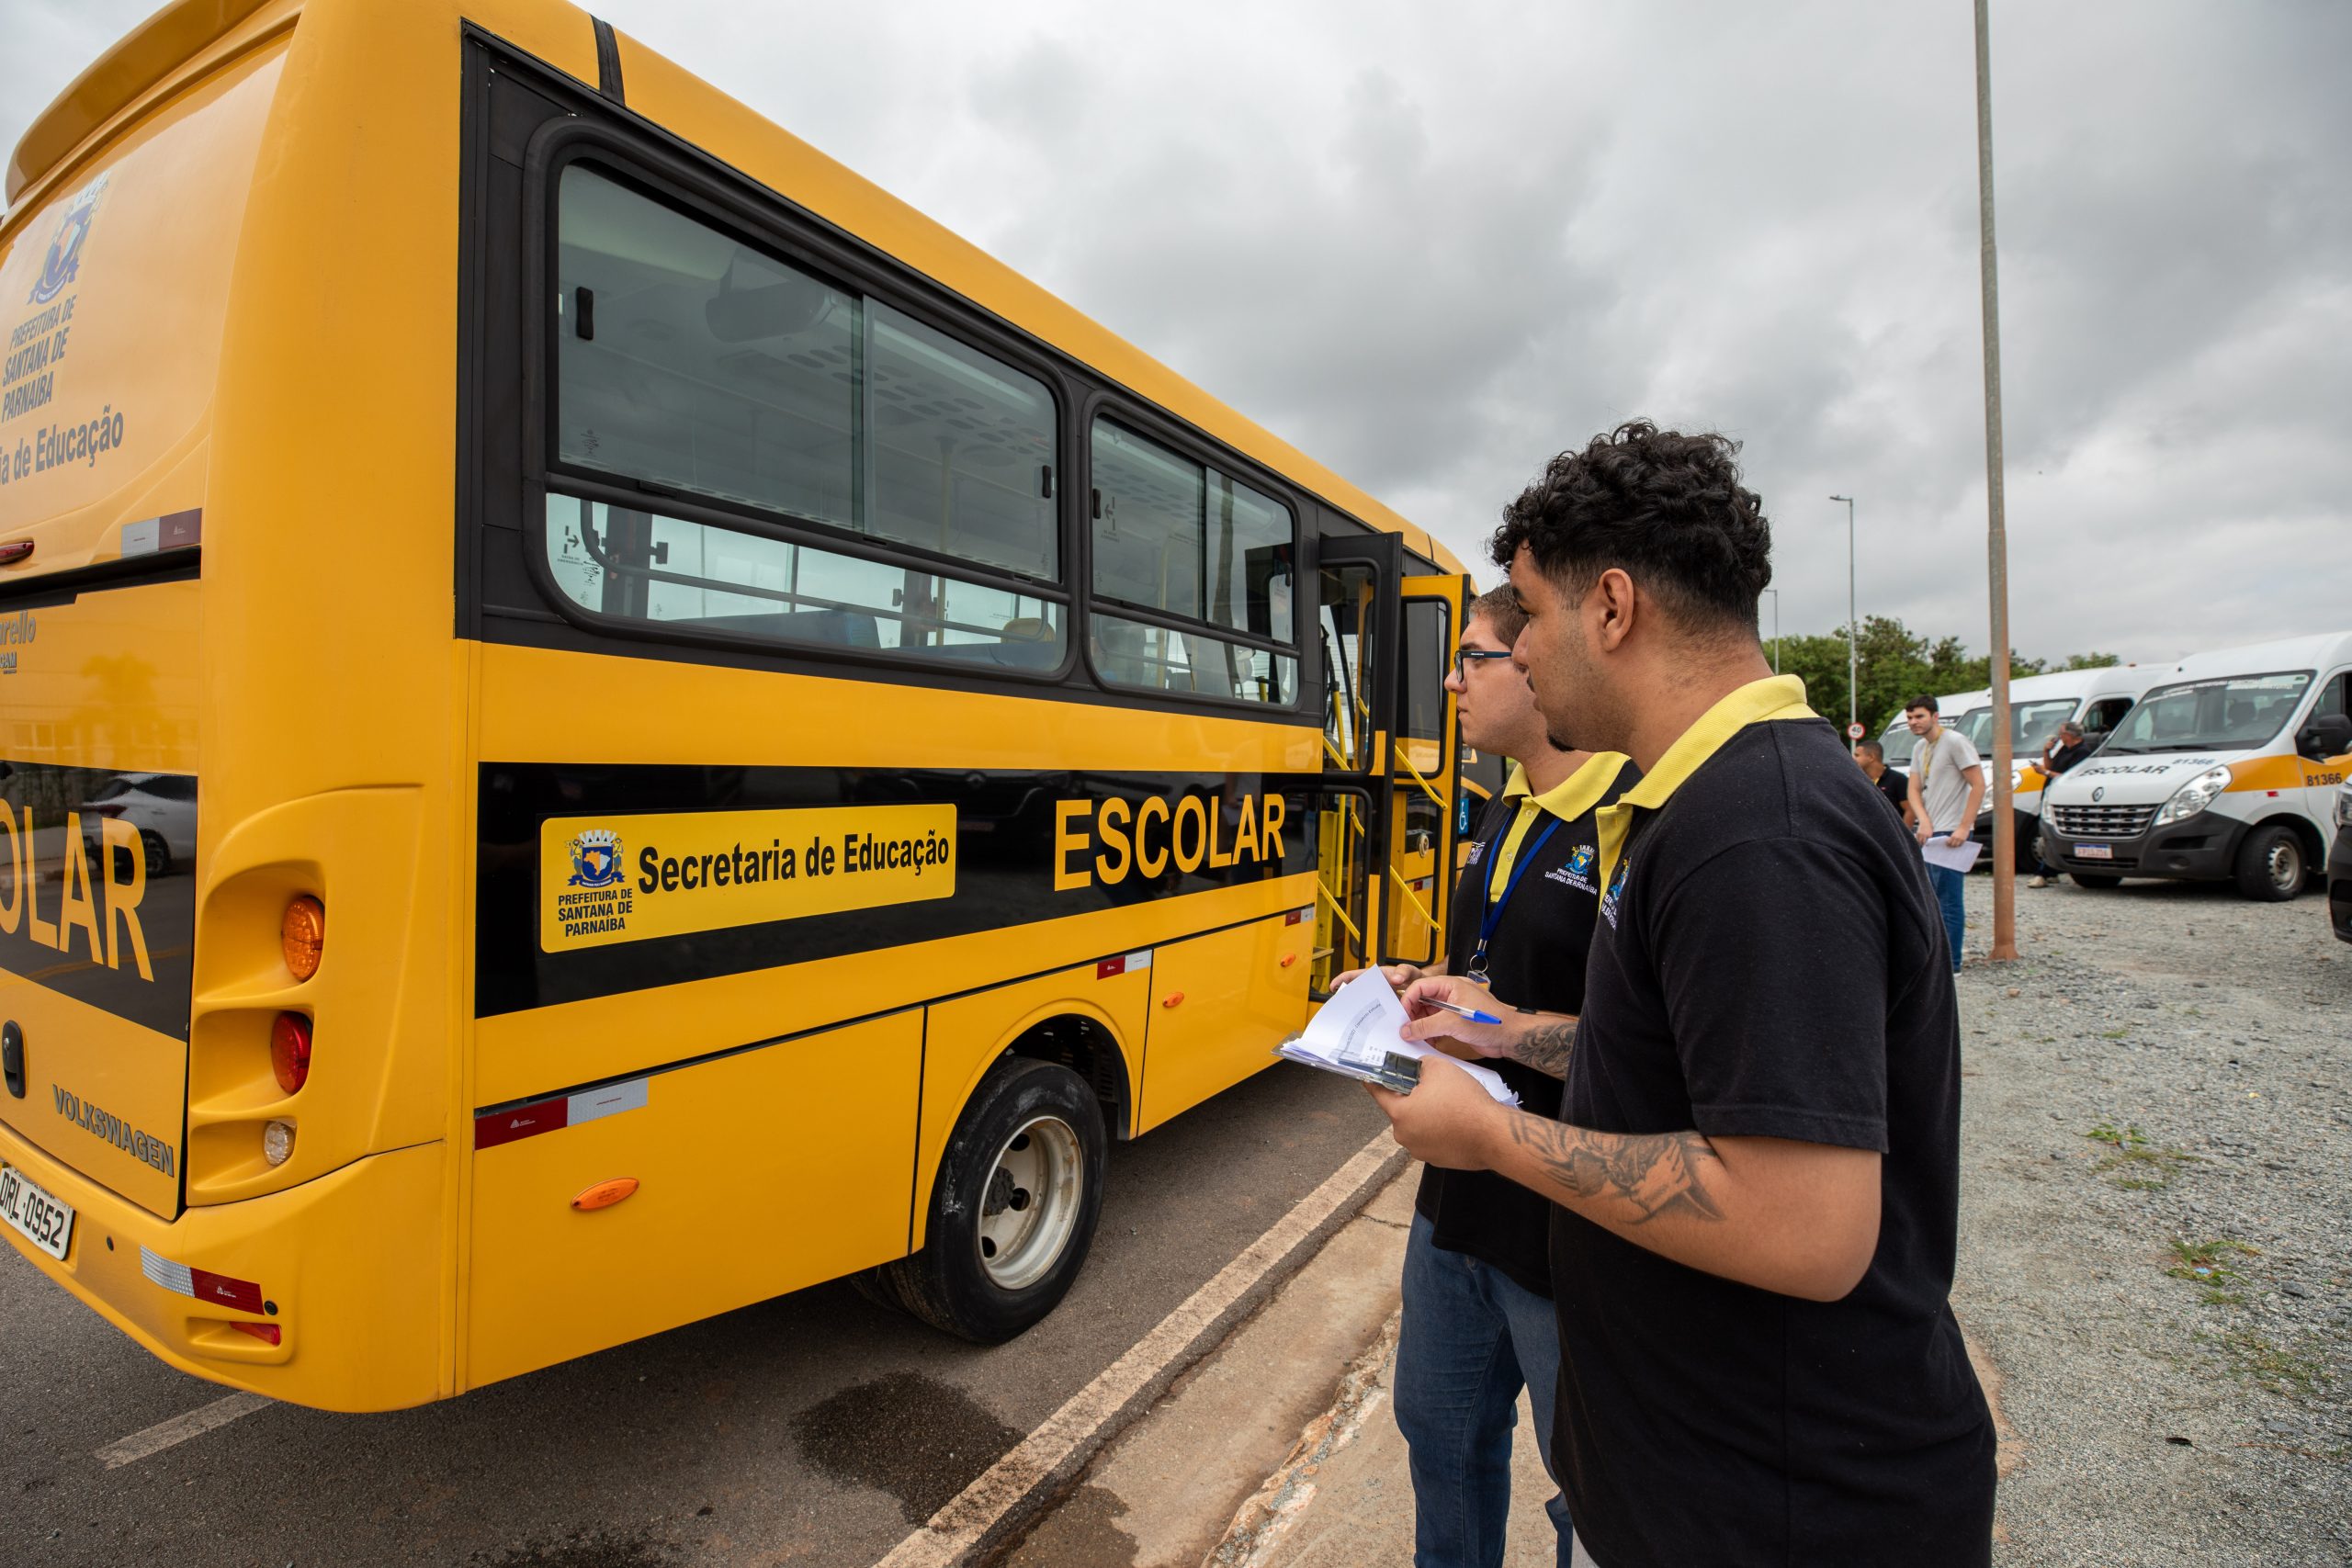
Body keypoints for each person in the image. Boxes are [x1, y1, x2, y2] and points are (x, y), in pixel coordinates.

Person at [1368, 421, 1995, 1568]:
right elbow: (1669, 1062)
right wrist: (1504, 1029)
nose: (1520, 657)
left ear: (1611, 608)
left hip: (1779, 1510)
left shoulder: (1759, 832)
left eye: (1533, 616)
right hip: (1701, 1483)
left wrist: (1497, 1137)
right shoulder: (1703, 803)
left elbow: (1804, 1226)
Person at [1337, 585, 1632, 1568]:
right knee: (1441, 1438)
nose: (1454, 682)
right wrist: (1410, 985)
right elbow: (1490, 975)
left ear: (1540, 664)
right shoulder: (1501, 808)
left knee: (1583, 1494)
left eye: (1476, 658)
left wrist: (1501, 1034)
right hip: (1452, 1207)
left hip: (1564, 1221)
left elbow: (1643, 1044)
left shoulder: (1630, 824)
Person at [1905, 696, 1985, 972]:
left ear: (1935, 716)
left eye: (1919, 717)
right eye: (1910, 718)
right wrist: (1923, 821)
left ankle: (1952, 964)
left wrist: (1965, 826)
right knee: (1930, 898)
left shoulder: (1955, 742)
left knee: (1949, 900)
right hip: (1930, 831)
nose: (1914, 722)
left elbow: (1978, 784)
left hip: (1952, 830)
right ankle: (1937, 960)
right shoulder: (1919, 747)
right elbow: (1914, 789)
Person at [2027, 720, 2094, 886]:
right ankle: (2051, 871)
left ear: (2068, 735)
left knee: (2050, 834)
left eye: (2061, 733)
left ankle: (2043, 873)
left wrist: (2046, 772)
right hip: (2052, 793)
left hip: (2067, 797)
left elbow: (2069, 776)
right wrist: (2046, 752)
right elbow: (2051, 766)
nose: (2059, 736)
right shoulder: (2064, 749)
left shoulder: (2082, 752)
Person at [1853, 737, 1915, 829]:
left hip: (1893, 837)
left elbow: (1910, 810)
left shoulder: (1898, 779)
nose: (1853, 758)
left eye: (1857, 755)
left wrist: (1904, 837)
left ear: (1871, 757)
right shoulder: (1859, 781)